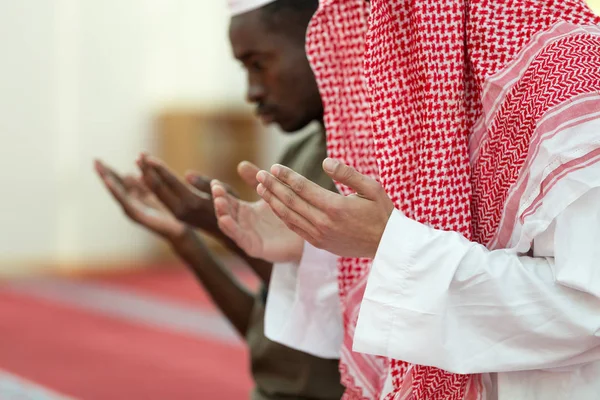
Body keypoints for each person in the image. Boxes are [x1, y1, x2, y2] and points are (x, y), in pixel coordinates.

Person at [212, 0, 600, 399]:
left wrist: (387, 244)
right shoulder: (446, 88)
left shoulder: (572, 75)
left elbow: (589, 310)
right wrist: (317, 246)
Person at [95, 1, 344, 399]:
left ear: (324, 39)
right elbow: (268, 335)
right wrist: (187, 239)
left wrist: (229, 234)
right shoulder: (298, 157)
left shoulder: (367, 170)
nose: (252, 92)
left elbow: (342, 321)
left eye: (258, 64)